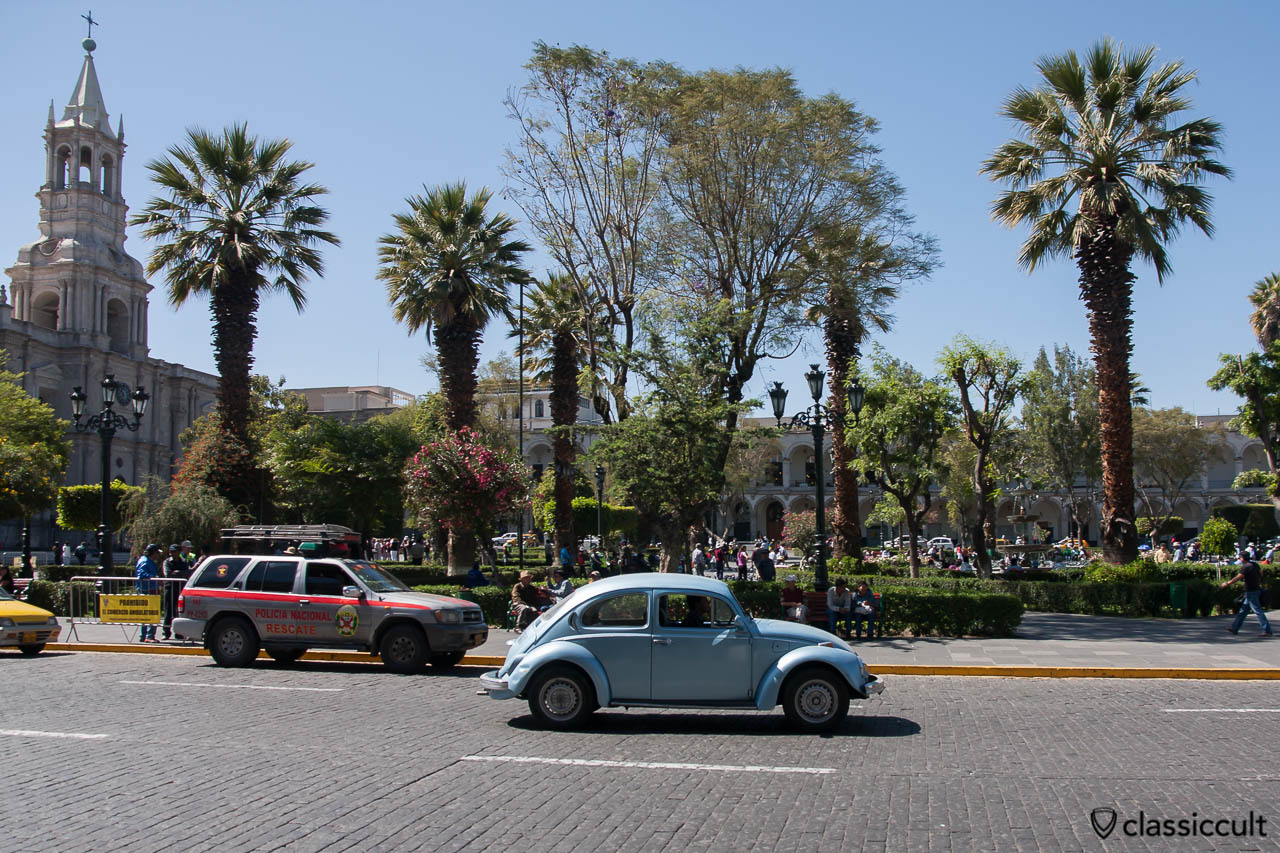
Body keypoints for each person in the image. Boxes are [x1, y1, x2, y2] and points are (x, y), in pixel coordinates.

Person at [1223, 557, 1273, 636]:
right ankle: (1235, 628)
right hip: (1255, 590)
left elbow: (1238, 577)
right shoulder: (1255, 564)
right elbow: (1261, 574)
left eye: (1240, 558)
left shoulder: (1246, 567)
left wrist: (1227, 583)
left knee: (1258, 611)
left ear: (1242, 559)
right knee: (1243, 611)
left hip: (1251, 592)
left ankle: (1267, 630)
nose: (1239, 559)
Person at [161, 543, 191, 641]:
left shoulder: (184, 562)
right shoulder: (167, 562)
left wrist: (178, 573)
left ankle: (179, 633)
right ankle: (166, 632)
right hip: (169, 588)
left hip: (180, 589)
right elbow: (168, 574)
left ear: (179, 552)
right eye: (172, 551)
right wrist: (179, 573)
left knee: (179, 612)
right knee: (168, 611)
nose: (173, 553)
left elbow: (187, 573)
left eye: (175, 551)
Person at [135, 544, 163, 643]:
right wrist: (155, 578)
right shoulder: (145, 561)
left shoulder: (147, 560)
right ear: (153, 553)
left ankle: (144, 636)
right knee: (151, 613)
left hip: (150, 589)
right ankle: (149, 636)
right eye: (156, 553)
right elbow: (141, 574)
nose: (158, 555)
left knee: (146, 614)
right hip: (147, 589)